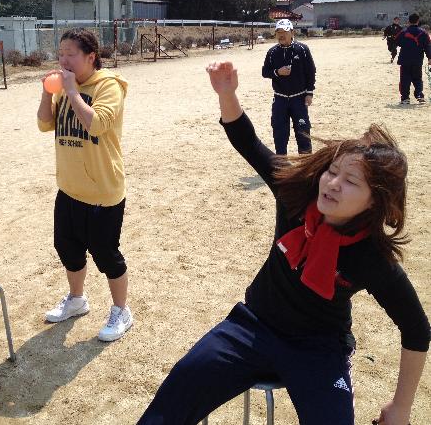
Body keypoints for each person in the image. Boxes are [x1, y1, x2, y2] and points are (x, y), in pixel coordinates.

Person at [138, 61, 429, 425]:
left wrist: (401, 407)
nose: (333, 184)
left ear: (375, 201)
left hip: (319, 349)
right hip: (250, 326)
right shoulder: (296, 196)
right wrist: (227, 95)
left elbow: (417, 329)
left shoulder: (370, 256)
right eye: (333, 171)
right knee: (169, 406)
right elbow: (248, 142)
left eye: (351, 182)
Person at [36, 28, 132, 342]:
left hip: (103, 192)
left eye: (71, 54)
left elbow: (97, 123)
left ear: (91, 57)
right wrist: (47, 93)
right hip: (69, 188)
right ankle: (76, 300)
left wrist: (72, 90)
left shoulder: (109, 86)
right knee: (67, 249)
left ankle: (121, 310)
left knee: (106, 255)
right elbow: (44, 124)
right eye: (60, 54)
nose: (63, 60)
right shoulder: (65, 87)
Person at [262, 18, 316, 155]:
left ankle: (305, 163)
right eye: (278, 32)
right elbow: (265, 72)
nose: (281, 35)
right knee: (279, 131)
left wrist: (309, 93)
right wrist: (277, 72)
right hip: (280, 99)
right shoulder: (272, 52)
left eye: (284, 32)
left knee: (303, 131)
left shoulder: (302, 49)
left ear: (292, 32)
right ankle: (281, 162)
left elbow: (311, 71)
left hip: (299, 98)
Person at [395, 13, 431, 104]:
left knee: (405, 79)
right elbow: (428, 46)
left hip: (405, 60)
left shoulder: (403, 32)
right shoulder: (423, 33)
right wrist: (430, 58)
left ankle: (405, 98)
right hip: (417, 60)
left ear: (408, 21)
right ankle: (419, 95)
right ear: (418, 21)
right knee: (417, 78)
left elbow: (397, 41)